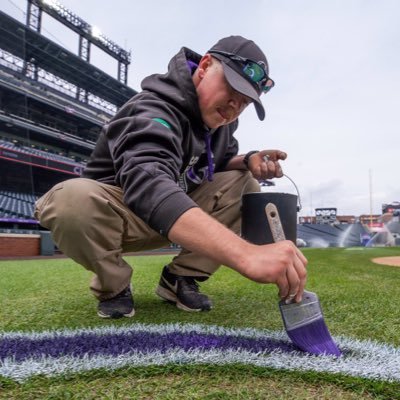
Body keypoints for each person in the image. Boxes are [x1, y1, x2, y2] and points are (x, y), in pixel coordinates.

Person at [34, 35, 307, 319]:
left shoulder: (221, 120)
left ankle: (180, 279)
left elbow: (217, 162)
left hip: (177, 212)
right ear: (204, 66)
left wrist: (248, 160)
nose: (234, 106)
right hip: (122, 215)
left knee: (245, 183)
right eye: (231, 87)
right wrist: (245, 254)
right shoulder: (153, 108)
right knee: (71, 199)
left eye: (245, 101)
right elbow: (148, 181)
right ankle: (112, 285)